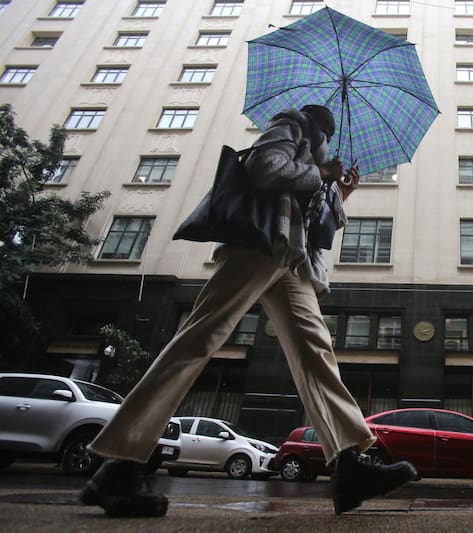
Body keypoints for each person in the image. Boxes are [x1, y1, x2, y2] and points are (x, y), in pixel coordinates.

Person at [78, 104, 417, 517]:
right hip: (260, 245)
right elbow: (263, 168)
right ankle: (119, 464)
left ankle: (348, 466)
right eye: (328, 118)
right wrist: (321, 174)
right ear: (316, 110)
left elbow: (317, 224)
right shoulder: (292, 124)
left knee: (317, 353)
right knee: (199, 339)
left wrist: (339, 194)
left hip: (293, 260)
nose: (333, 123)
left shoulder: (320, 149)